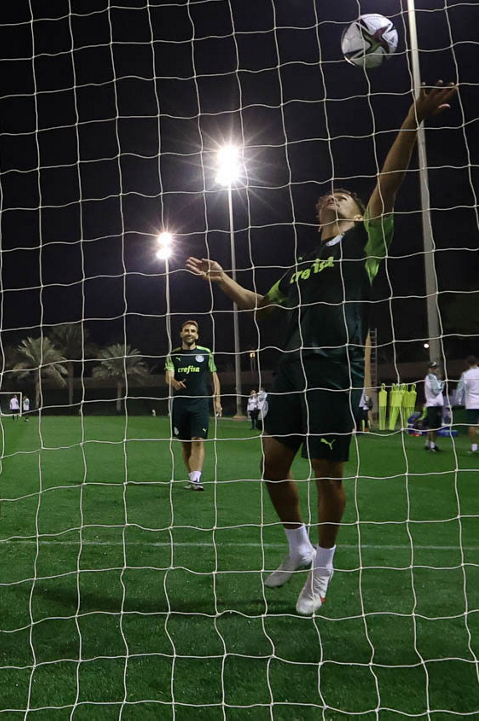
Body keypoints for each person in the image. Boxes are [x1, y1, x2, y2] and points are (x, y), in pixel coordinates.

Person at [186, 82, 457, 615]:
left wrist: (412, 119)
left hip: (336, 369)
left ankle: (324, 569)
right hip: (293, 370)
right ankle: (299, 548)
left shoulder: (364, 243)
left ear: (358, 211)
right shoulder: (303, 264)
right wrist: (223, 279)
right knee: (271, 467)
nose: (334, 197)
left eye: (344, 196)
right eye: (328, 197)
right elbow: (262, 307)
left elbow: (389, 184)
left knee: (328, 476)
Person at [164, 320, 222, 492]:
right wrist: (174, 382)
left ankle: (197, 479)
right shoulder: (173, 355)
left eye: (193, 331)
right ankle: (192, 478)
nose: (189, 333)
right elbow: (168, 376)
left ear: (197, 335)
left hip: (200, 403)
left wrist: (217, 400)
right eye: (186, 330)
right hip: (180, 403)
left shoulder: (205, 353)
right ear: (181, 334)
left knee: (198, 439)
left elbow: (214, 378)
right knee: (185, 443)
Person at [423, 361, 445, 452]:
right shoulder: (430, 377)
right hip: (433, 405)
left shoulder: (434, 378)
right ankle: (433, 446)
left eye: (436, 367)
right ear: (429, 369)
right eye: (434, 368)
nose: (436, 369)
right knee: (433, 427)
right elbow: (436, 391)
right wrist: (442, 384)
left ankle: (427, 443)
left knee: (431, 426)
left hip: (434, 405)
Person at [462, 356, 479, 454]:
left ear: (467, 363)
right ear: (477, 362)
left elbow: (465, 388)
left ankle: (474, 447)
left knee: (472, 424)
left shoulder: (466, 374)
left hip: (472, 402)